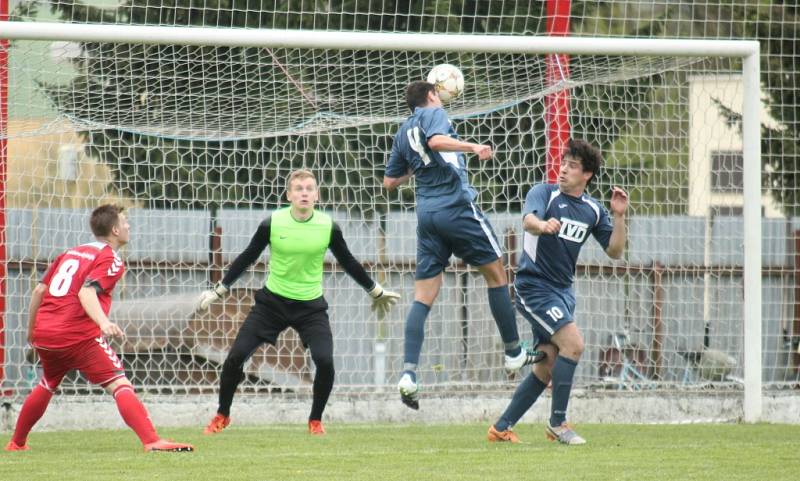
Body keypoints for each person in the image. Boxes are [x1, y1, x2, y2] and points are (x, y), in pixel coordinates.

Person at [198, 169, 400, 436]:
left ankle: (315, 420)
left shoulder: (328, 226)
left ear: (316, 194)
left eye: (309, 188)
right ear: (289, 195)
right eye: (298, 188)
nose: (304, 192)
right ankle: (222, 415)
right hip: (271, 304)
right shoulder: (273, 223)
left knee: (325, 361)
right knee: (235, 356)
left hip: (310, 307)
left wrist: (374, 290)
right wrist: (220, 289)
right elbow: (248, 256)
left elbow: (348, 261)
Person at [383, 81, 542, 410]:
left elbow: (388, 183)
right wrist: (472, 147)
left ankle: (409, 373)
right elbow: (437, 140)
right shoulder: (435, 113)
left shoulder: (402, 132)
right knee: (497, 275)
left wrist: (420, 162)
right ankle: (513, 352)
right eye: (437, 93)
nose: (441, 97)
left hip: (427, 216)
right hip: (456, 207)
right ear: (430, 96)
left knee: (423, 297)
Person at [4, 204, 194, 453]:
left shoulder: (72, 252)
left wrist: (32, 332)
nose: (128, 226)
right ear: (115, 230)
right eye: (125, 222)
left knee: (48, 382)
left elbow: (39, 290)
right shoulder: (110, 259)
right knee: (119, 383)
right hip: (77, 335)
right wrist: (103, 323)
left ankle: (16, 443)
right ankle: (152, 441)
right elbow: (86, 291)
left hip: (45, 333)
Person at [487, 139, 629, 445]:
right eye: (563, 162)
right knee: (574, 344)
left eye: (572, 165)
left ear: (587, 174)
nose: (563, 169)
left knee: (548, 362)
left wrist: (618, 216)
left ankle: (501, 428)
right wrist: (542, 225)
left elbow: (616, 251)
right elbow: (528, 221)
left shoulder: (592, 210)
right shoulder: (544, 193)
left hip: (563, 292)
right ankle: (558, 423)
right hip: (533, 287)